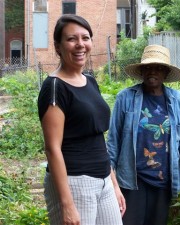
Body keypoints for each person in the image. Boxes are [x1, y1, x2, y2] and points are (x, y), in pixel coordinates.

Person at [37, 14, 125, 225]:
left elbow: (97, 137)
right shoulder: (55, 87)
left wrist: (113, 183)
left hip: (103, 179)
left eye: (85, 38)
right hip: (74, 182)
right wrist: (67, 205)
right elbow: (52, 148)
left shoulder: (90, 81)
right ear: (58, 47)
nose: (80, 45)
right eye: (71, 39)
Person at [107, 44, 180, 225]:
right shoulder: (125, 98)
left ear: (165, 73)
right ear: (141, 71)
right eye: (148, 67)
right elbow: (113, 140)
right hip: (132, 180)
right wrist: (110, 180)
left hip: (164, 181)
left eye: (158, 68)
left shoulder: (178, 100)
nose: (152, 72)